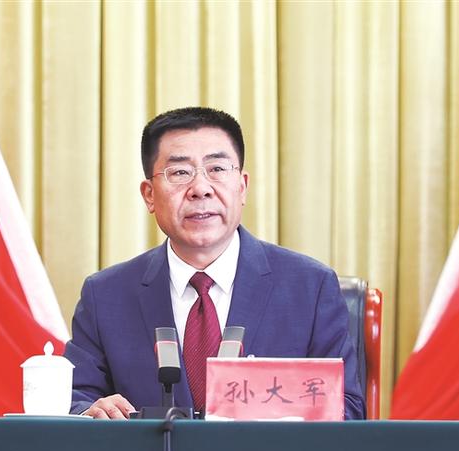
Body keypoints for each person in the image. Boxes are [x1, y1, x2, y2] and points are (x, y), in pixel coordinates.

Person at [64, 107, 365, 419]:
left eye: (217, 169)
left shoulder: (310, 288)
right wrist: (89, 412)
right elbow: (74, 398)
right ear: (149, 195)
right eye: (180, 173)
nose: (200, 189)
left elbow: (348, 409)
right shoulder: (105, 296)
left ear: (242, 187)